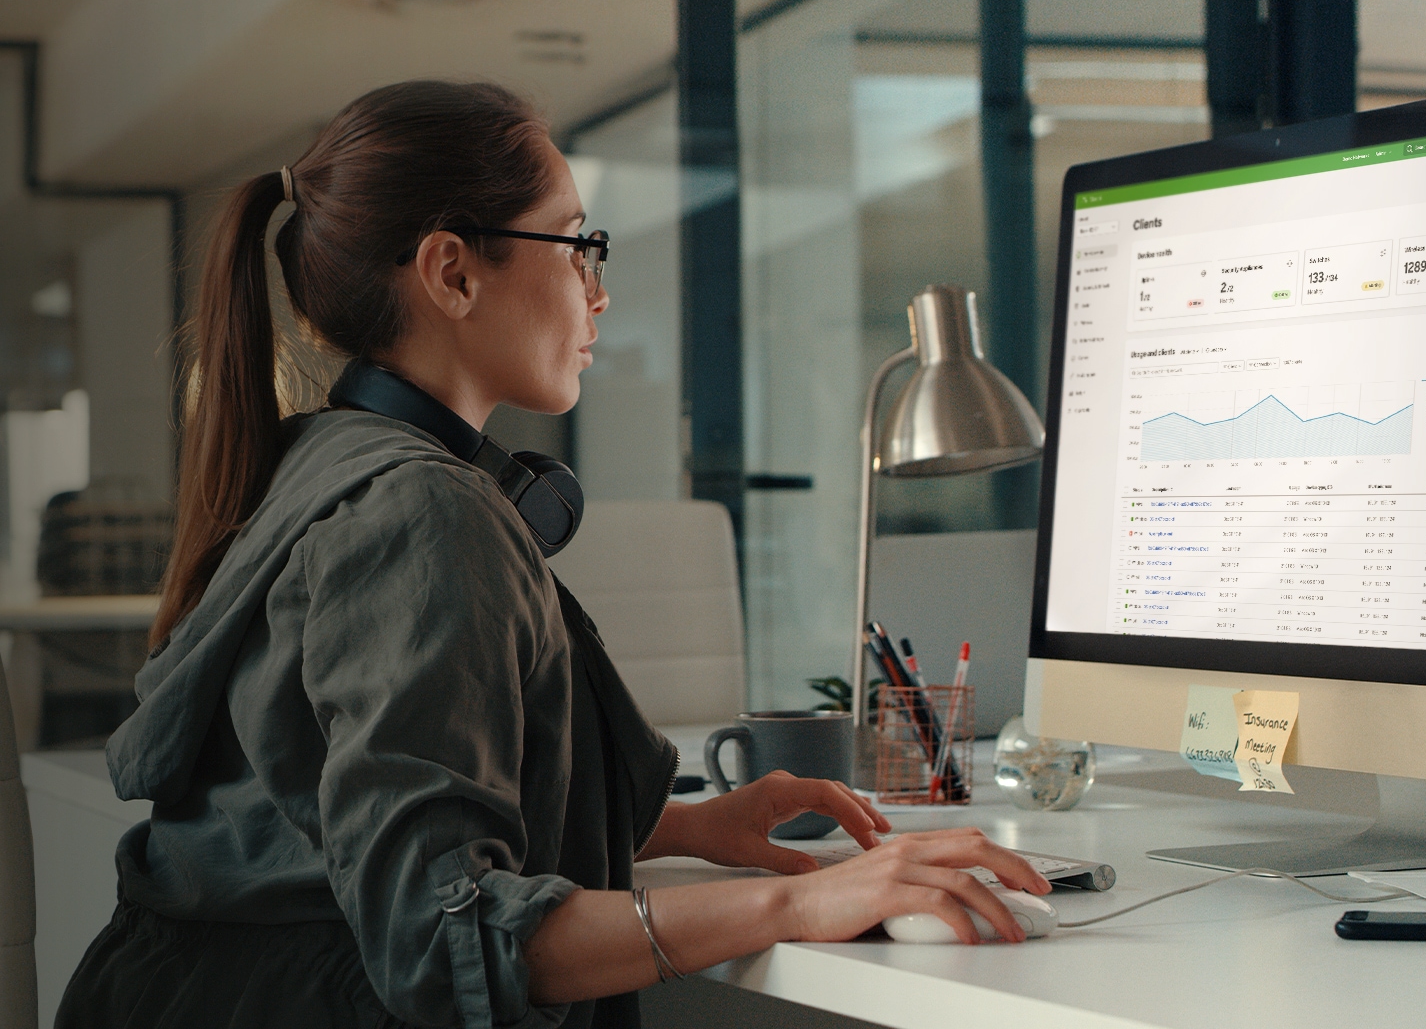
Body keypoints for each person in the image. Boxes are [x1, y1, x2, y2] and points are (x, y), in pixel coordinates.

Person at [52, 81, 1050, 1029]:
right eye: (577, 244)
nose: (596, 292)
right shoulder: (417, 513)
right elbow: (438, 934)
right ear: (451, 271)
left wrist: (688, 828)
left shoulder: (327, 460)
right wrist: (796, 906)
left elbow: (337, 816)